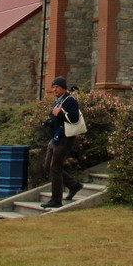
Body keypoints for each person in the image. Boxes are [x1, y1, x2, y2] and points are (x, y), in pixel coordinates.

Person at [42, 76, 82, 209]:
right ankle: (74, 185)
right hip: (55, 138)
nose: (54, 89)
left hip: (65, 138)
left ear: (63, 88)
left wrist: (59, 114)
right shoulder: (58, 101)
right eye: (53, 87)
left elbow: (74, 119)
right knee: (48, 166)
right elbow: (55, 117)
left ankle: (56, 199)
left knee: (55, 168)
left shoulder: (69, 100)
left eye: (57, 87)